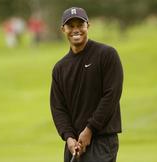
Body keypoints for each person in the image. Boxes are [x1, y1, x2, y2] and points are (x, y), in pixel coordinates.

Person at [50, 7, 123, 162]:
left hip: (102, 141)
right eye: (71, 26)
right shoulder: (60, 68)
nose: (76, 30)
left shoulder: (106, 55)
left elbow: (111, 95)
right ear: (63, 29)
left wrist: (90, 129)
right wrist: (69, 137)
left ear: (88, 26)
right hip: (74, 145)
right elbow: (58, 108)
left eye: (80, 25)